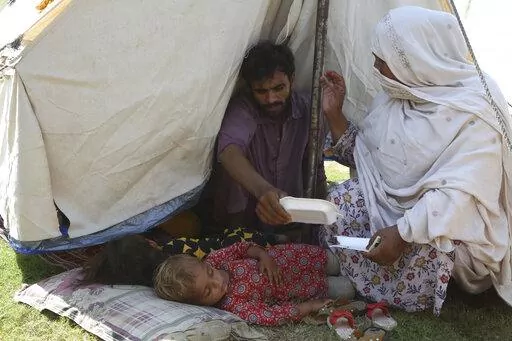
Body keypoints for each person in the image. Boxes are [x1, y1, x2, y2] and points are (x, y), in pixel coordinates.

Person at [319, 6, 512, 315]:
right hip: (397, 216)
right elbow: (366, 159)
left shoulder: (476, 110)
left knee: (435, 247)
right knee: (340, 203)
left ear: (415, 59)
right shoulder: (395, 98)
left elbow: (461, 197)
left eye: (383, 61)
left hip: (451, 225)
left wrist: (403, 233)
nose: (375, 67)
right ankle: (352, 273)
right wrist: (334, 114)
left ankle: (361, 280)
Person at [213, 41, 326, 232]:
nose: (271, 99)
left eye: (278, 88)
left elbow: (315, 165)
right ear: (250, 89)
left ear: (292, 80)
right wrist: (263, 191)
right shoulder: (244, 109)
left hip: (293, 217)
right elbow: (228, 151)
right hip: (246, 221)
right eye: (261, 91)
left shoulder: (310, 110)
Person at [153, 241, 355, 326]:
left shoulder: (215, 259)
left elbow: (243, 247)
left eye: (210, 273)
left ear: (205, 264)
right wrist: (310, 306)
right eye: (208, 291)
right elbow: (273, 316)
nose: (217, 282)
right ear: (200, 304)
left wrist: (262, 255)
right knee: (348, 288)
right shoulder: (233, 306)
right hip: (306, 288)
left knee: (338, 259)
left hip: (295, 258)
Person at [81, 226, 279, 287]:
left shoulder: (167, 281)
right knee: (233, 238)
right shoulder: (175, 249)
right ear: (151, 243)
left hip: (227, 245)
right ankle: (278, 238)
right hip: (236, 242)